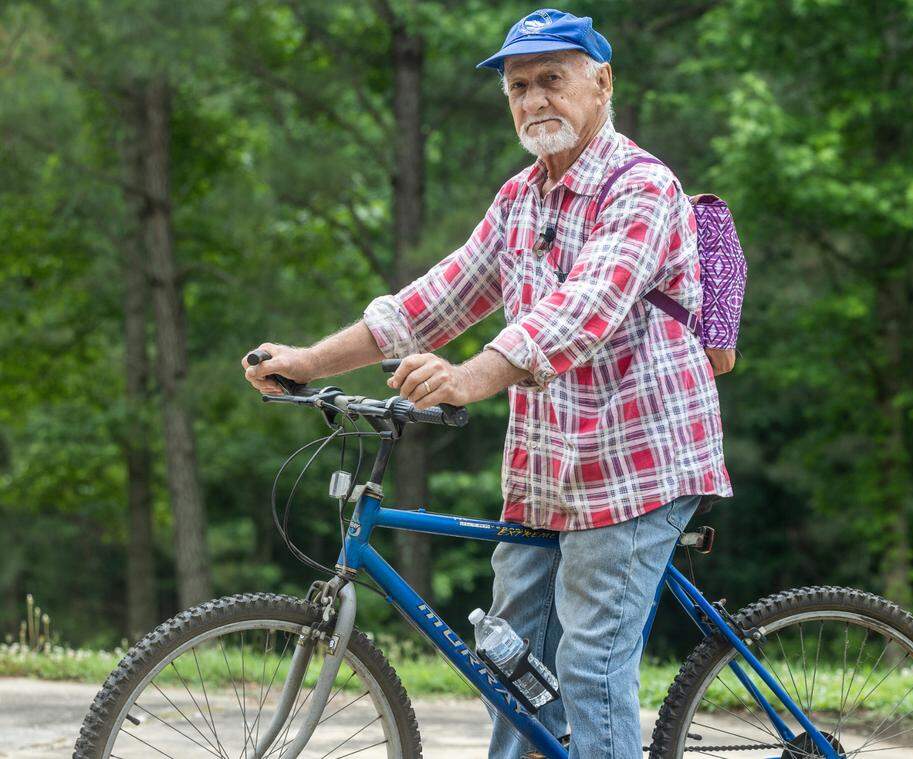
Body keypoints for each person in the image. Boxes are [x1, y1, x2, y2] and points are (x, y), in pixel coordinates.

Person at [243, 8, 731, 758]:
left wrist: (468, 377)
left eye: (552, 80)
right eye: (518, 86)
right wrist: (308, 362)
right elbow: (431, 302)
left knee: (588, 663)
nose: (534, 100)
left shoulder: (642, 189)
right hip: (545, 473)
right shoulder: (518, 200)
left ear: (602, 83)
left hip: (638, 467)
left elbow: (583, 311)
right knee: (508, 659)